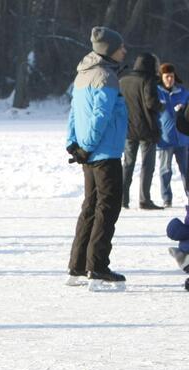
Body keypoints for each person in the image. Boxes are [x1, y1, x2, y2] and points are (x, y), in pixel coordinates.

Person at [64, 27, 128, 287]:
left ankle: (78, 265)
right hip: (105, 154)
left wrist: (73, 143)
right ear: (109, 50)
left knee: (90, 207)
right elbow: (99, 117)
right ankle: (97, 266)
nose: (124, 51)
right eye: (120, 47)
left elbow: (73, 113)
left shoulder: (83, 74)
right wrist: (87, 146)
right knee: (107, 209)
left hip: (90, 154)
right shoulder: (106, 76)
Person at [119, 53, 164, 209]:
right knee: (147, 165)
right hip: (147, 130)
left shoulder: (123, 80)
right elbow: (151, 103)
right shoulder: (148, 80)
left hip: (128, 129)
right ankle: (144, 200)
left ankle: (123, 199)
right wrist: (162, 106)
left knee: (128, 164)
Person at [157, 62, 189, 208]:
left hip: (182, 139)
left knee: (186, 169)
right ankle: (166, 197)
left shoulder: (183, 92)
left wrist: (182, 110)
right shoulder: (157, 92)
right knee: (165, 170)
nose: (169, 79)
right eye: (166, 77)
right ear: (161, 77)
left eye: (171, 76)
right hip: (165, 138)